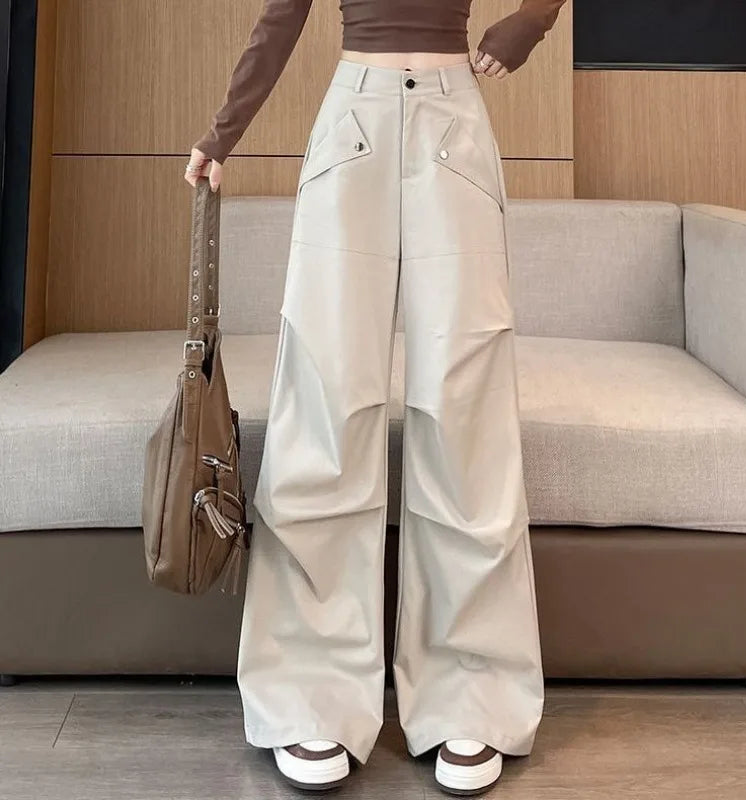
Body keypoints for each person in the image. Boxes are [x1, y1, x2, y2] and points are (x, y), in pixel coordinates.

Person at [185, 1, 567, 795]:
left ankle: (473, 694)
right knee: (325, 404)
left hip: (454, 121)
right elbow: (285, 11)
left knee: (465, 411)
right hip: (353, 121)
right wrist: (223, 134)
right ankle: (309, 694)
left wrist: (532, 19)